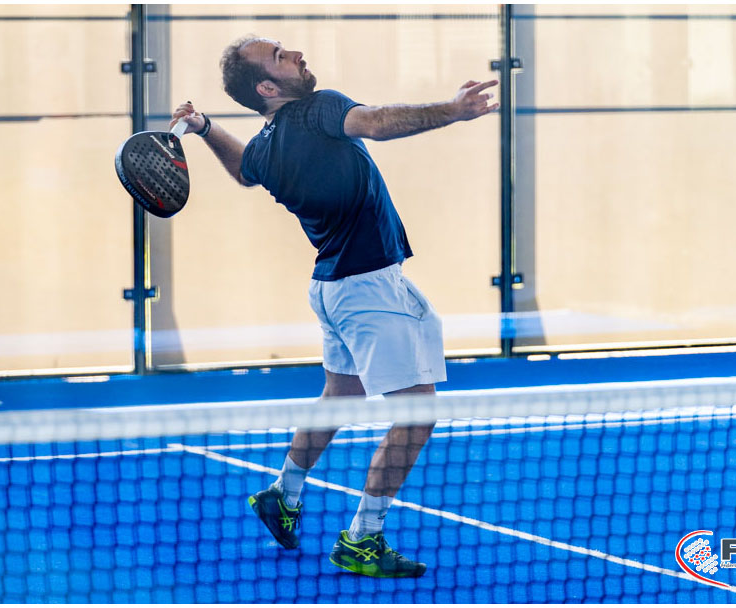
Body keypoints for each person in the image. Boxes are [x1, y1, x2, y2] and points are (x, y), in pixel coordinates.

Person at [170, 35, 498, 578]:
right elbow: (376, 123)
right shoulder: (319, 109)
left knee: (340, 397)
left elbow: (244, 170)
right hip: (368, 289)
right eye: (280, 57)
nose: (296, 53)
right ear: (267, 87)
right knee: (417, 414)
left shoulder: (266, 147)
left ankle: (283, 493)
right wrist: (453, 110)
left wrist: (206, 129)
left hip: (332, 289)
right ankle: (362, 538)